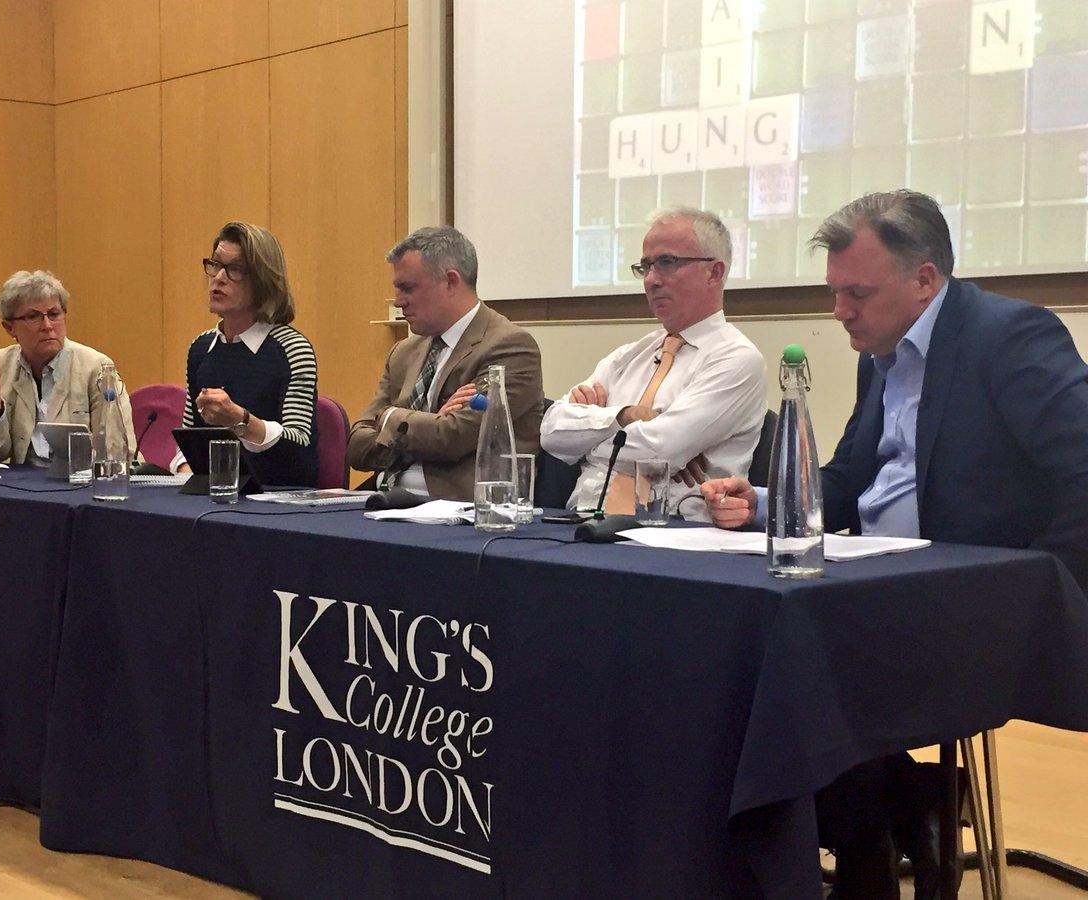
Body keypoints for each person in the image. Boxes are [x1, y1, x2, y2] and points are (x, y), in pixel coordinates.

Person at [699, 189, 1088, 898]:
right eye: (834, 292)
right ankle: (891, 815)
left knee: (798, 665)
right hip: (875, 584)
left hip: (972, 597)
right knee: (746, 646)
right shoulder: (876, 353)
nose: (839, 311)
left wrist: (1035, 581)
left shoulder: (1011, 337)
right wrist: (760, 502)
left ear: (925, 280)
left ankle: (869, 842)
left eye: (857, 293)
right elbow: (850, 479)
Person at [539, 207, 766, 519]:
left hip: (674, 533)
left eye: (667, 263)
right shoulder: (631, 355)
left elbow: (660, 450)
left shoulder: (736, 358)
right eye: (645, 267)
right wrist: (622, 416)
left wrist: (585, 444)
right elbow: (551, 432)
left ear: (714, 272)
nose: (651, 280)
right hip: (581, 522)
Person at [346, 226, 543, 501]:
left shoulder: (510, 348)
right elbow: (356, 446)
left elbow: (451, 437)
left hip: (455, 510)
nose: (399, 302)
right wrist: (431, 421)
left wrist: (390, 417)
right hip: (383, 499)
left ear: (451, 281)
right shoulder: (403, 352)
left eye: (408, 288)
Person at [173, 221, 319, 488]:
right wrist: (185, 468)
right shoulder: (201, 348)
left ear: (263, 280)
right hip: (213, 495)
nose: (218, 278)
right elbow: (189, 435)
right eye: (215, 264)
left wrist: (240, 420)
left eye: (235, 269)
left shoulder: (291, 348)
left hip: (273, 496)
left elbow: (300, 451)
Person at [0, 270, 136, 464]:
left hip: (78, 486)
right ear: (9, 328)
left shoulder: (97, 367)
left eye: (54, 314)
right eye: (34, 317)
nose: (47, 325)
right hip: (19, 487)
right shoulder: (0, 365)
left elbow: (117, 452)